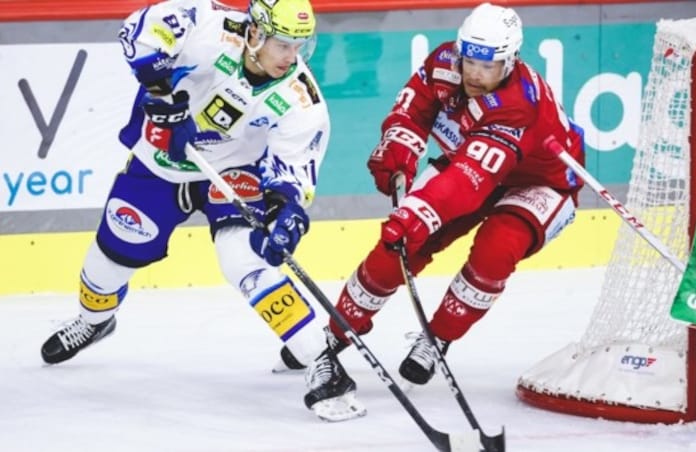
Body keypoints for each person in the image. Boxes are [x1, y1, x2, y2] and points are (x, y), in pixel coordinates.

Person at [294, 2, 586, 421]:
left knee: (495, 249)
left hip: (539, 181)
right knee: (398, 247)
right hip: (474, 162)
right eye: (470, 61)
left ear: (512, 60)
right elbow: (414, 112)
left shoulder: (516, 104)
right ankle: (336, 334)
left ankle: (438, 339)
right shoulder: (444, 63)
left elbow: (466, 183)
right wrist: (398, 151)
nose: (475, 75)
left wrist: (413, 215)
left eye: (489, 66)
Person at [39, 0, 330, 373]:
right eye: (283, 44)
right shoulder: (209, 24)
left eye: (300, 46)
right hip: (161, 164)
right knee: (108, 262)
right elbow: (139, 30)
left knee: (244, 257)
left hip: (232, 172)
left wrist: (285, 208)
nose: (292, 57)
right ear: (255, 32)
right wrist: (162, 91)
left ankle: (317, 357)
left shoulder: (301, 99)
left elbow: (294, 168)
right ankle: (93, 321)